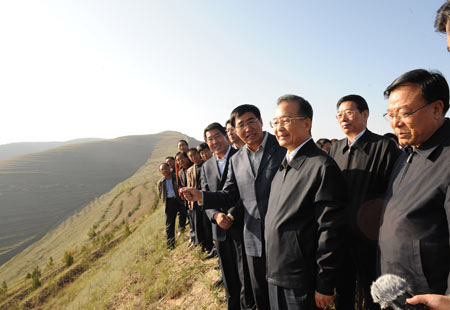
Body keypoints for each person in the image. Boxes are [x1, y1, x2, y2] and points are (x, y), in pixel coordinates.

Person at [182, 104, 286, 309]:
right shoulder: (237, 160)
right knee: (260, 295)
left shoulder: (283, 148)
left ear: (262, 121)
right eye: (241, 125)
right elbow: (229, 194)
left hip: (284, 238)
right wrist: (201, 195)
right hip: (253, 239)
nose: (247, 128)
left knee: (285, 298)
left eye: (251, 121)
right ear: (235, 131)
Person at [265, 94, 347, 309]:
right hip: (276, 274)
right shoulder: (282, 168)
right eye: (275, 122)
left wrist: (325, 283)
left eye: (285, 120)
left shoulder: (321, 167)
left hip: (302, 281)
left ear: (307, 123)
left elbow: (331, 231)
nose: (278, 127)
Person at [378, 69, 450, 296]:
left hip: (428, 296)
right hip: (394, 288)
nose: (395, 123)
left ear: (437, 109)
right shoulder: (407, 153)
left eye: (404, 113)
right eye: (390, 115)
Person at [328, 94, 400, 310]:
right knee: (344, 293)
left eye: (349, 113)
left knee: (374, 297)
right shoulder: (335, 149)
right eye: (339, 115)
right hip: (341, 238)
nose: (343, 118)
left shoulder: (384, 147)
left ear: (365, 114)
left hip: (371, 241)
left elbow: (394, 195)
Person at [199, 122, 252, 310]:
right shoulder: (206, 167)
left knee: (245, 274)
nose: (214, 142)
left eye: (217, 136)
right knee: (228, 276)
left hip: (242, 226)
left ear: (226, 136)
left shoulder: (242, 157)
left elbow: (246, 191)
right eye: (209, 139)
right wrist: (216, 216)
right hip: (219, 230)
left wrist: (230, 215)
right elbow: (203, 198)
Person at [186, 148, 213, 252]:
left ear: (198, 154)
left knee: (207, 223)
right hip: (195, 200)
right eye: (190, 156)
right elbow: (189, 186)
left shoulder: (207, 165)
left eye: (194, 155)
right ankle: (202, 245)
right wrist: (190, 202)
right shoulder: (190, 170)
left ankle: (210, 246)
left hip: (206, 197)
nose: (193, 157)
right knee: (198, 224)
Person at [157, 163, 183, 249]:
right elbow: (160, 194)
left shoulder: (177, 176)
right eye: (162, 170)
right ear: (161, 172)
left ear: (169, 168)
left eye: (166, 168)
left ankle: (183, 232)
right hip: (169, 202)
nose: (165, 170)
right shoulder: (161, 182)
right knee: (169, 224)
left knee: (185, 216)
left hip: (179, 199)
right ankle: (170, 245)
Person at [175, 151, 191, 234]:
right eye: (178, 160)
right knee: (191, 218)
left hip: (197, 196)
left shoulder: (193, 167)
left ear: (186, 157)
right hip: (188, 199)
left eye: (182, 158)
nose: (180, 160)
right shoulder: (180, 172)